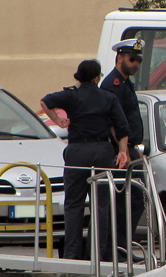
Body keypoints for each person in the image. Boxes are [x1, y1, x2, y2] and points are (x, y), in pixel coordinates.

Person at [41, 60, 129, 260]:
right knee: (101, 205)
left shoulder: (71, 95)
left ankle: (72, 254)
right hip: (101, 151)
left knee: (73, 204)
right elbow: (121, 126)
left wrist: (58, 120)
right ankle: (96, 253)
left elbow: (45, 102)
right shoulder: (108, 97)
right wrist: (123, 151)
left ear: (78, 76)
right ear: (97, 77)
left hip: (77, 151)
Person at [101, 37, 146, 257]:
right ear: (120, 58)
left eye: (138, 59)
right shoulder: (113, 84)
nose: (136, 63)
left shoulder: (125, 82)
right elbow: (112, 121)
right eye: (132, 58)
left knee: (134, 200)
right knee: (125, 202)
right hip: (122, 151)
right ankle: (117, 249)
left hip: (131, 149)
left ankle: (123, 247)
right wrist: (124, 150)